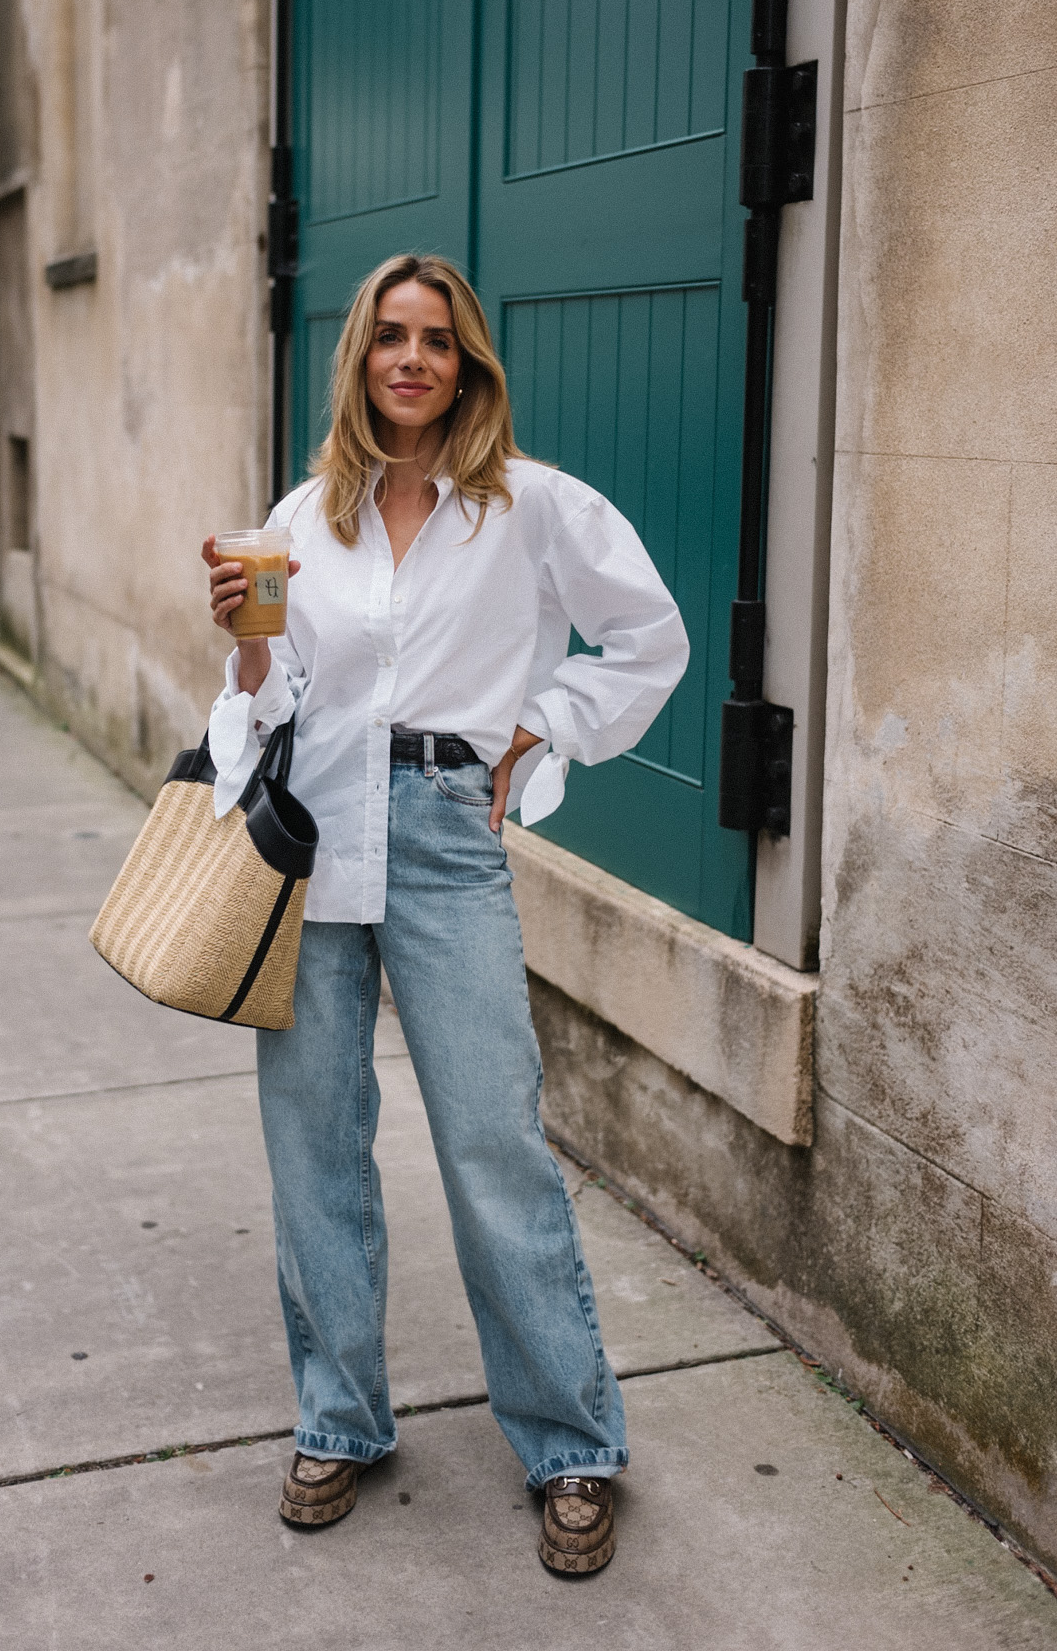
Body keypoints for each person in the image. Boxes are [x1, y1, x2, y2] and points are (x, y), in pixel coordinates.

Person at [202, 253, 688, 1576]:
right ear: (360, 357)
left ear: (469, 365)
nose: (412, 360)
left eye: (438, 341)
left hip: (440, 838)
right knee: (314, 1146)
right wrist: (247, 647)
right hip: (312, 842)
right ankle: (340, 1420)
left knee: (493, 1144)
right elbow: (257, 715)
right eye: (389, 339)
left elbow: (651, 639)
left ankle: (570, 1441)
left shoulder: (533, 508)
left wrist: (544, 730)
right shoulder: (303, 518)